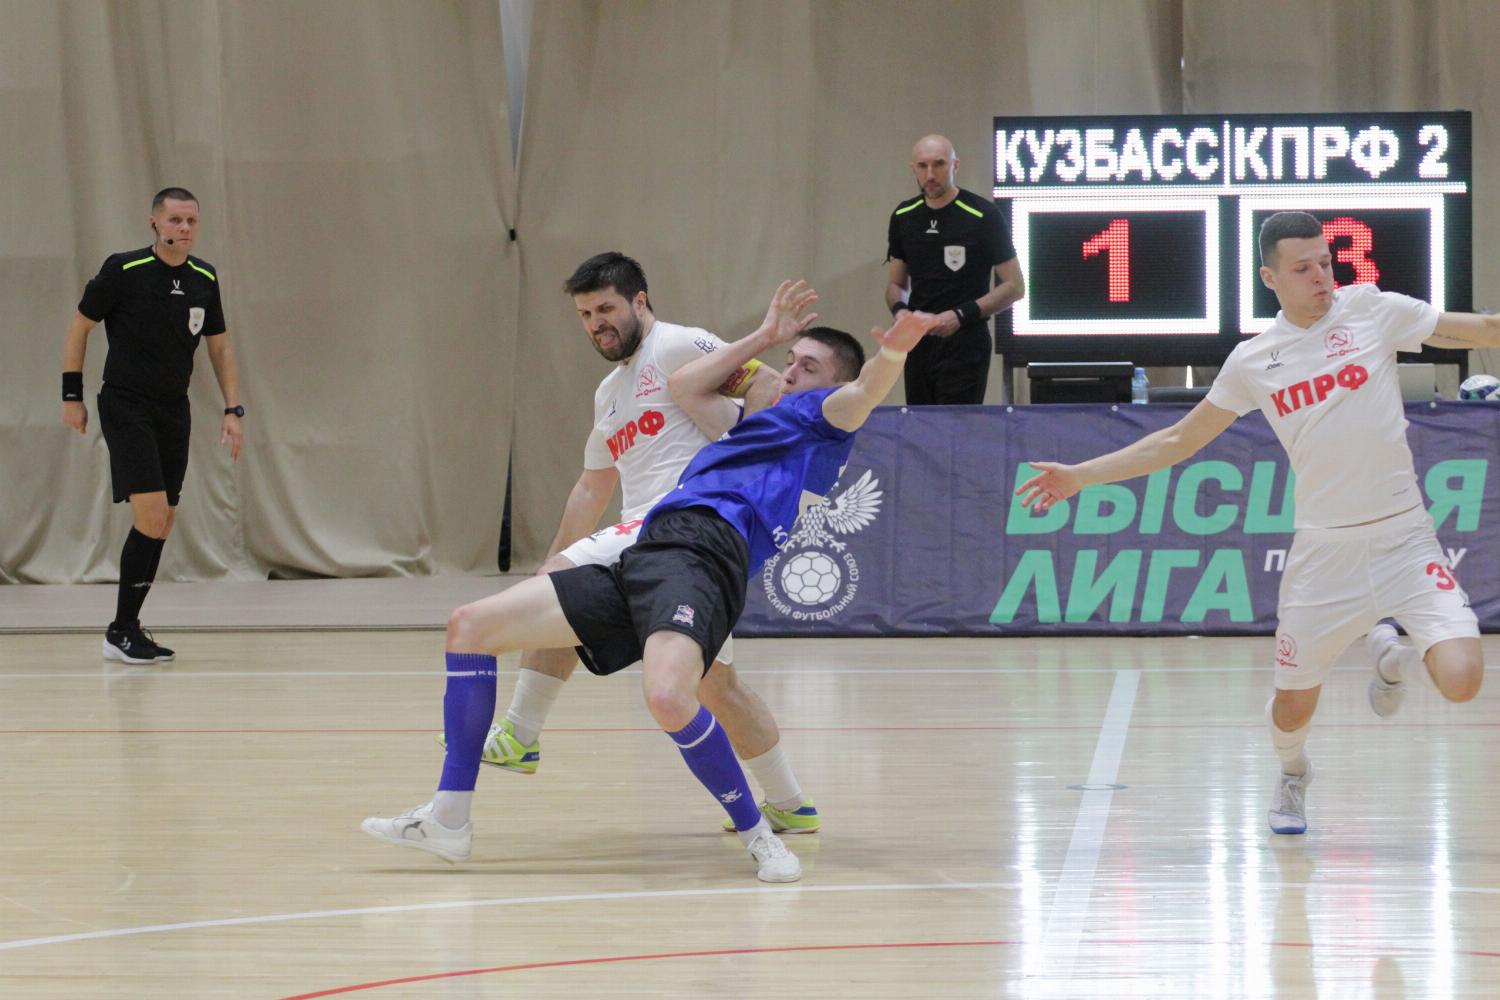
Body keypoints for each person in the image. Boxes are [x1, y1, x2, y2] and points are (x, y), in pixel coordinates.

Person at [363, 290, 941, 881]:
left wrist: (894, 354)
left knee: (670, 697)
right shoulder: (750, 425)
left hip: (704, 554)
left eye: (808, 367)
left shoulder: (822, 422)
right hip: (649, 549)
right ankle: (450, 817)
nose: (789, 372)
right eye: (790, 360)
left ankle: (760, 836)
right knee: (469, 626)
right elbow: (686, 386)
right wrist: (766, 336)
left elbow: (863, 393)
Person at [1015, 211, 1497, 835]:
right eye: (1303, 268)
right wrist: (1082, 476)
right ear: (1271, 278)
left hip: (1405, 539)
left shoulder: (1372, 310)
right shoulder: (1253, 360)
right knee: (1292, 710)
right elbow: (1177, 440)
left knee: (1462, 680)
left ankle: (1391, 660)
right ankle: (1293, 773)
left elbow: (1480, 329)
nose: (1321, 276)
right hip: (1325, 556)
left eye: (1325, 262)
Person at [441, 252, 821, 837]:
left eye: (606, 309)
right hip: (655, 544)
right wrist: (549, 558)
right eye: (585, 314)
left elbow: (767, 383)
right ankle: (791, 803)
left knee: (562, 586)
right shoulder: (608, 393)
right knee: (715, 686)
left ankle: (519, 731)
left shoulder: (678, 345)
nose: (597, 323)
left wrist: (740, 461)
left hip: (683, 525)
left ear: (639, 301)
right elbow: (592, 487)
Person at [61, 187, 243, 663]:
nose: (184, 228)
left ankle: (128, 628)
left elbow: (219, 347)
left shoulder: (204, 277)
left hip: (173, 408)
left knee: (164, 521)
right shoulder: (124, 270)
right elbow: (80, 326)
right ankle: (119, 630)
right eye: (175, 220)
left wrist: (233, 409)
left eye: (191, 221)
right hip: (126, 404)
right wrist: (71, 396)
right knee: (151, 515)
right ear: (155, 223)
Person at [885, 133, 1025, 404]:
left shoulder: (982, 215)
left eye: (939, 164)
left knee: (955, 425)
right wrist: (901, 312)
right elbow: (895, 285)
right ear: (913, 168)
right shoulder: (904, 216)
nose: (930, 174)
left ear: (955, 165)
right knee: (919, 424)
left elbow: (1015, 286)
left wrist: (959, 316)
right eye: (922, 166)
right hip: (918, 343)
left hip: (965, 341)